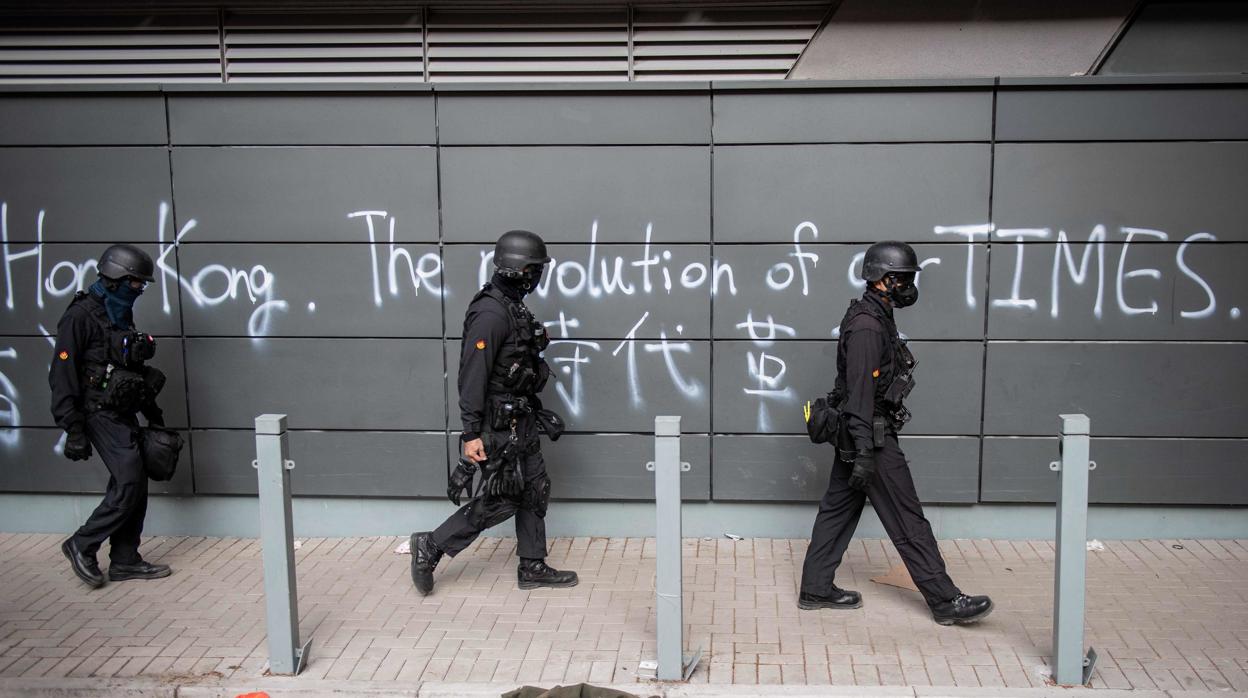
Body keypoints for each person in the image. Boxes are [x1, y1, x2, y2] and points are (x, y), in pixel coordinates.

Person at [798, 240, 993, 625]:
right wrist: (866, 452)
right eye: (903, 278)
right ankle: (944, 600)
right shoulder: (868, 326)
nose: (908, 286)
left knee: (837, 511)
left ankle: (815, 588)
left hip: (860, 434)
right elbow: (860, 394)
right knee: (908, 519)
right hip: (870, 435)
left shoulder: (877, 315)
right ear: (883, 280)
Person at [409, 230, 576, 595]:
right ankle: (432, 545)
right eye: (535, 268)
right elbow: (472, 376)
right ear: (519, 269)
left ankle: (532, 565)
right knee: (503, 498)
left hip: (522, 419)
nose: (538, 276)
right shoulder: (490, 313)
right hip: (497, 425)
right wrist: (471, 434)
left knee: (535, 488)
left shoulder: (513, 306)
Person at [50, 244, 172, 589]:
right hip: (97, 413)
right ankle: (82, 544)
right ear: (118, 277)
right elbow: (62, 375)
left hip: (121, 412)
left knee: (136, 482)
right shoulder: (80, 316)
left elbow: (128, 368)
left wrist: (152, 411)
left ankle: (125, 559)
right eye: (136, 283)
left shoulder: (117, 314)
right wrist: (72, 428)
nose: (139, 290)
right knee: (129, 481)